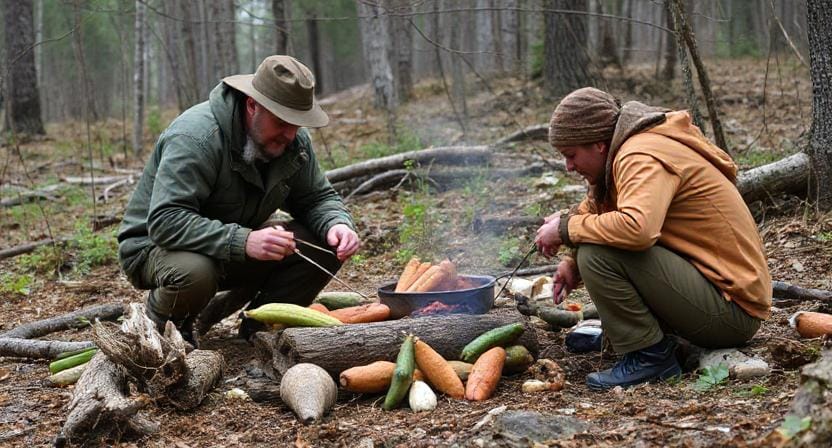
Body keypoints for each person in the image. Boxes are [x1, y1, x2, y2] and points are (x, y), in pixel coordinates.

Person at [535, 87, 771, 390]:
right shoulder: (625, 150)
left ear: (599, 144)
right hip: (712, 292)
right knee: (590, 247)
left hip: (731, 312)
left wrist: (566, 229)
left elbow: (637, 228)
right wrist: (571, 261)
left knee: (597, 254)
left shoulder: (640, 155)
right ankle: (639, 339)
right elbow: (599, 209)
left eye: (571, 155)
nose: (568, 166)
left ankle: (650, 357)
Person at [118, 55, 360, 344]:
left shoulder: (293, 142)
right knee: (196, 272)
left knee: (322, 243)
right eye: (282, 121)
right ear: (252, 105)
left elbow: (316, 198)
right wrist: (244, 241)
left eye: (297, 123)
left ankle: (262, 328)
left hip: (230, 246)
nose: (289, 134)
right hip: (156, 248)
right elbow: (165, 221)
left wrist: (336, 223)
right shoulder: (196, 138)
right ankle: (162, 328)